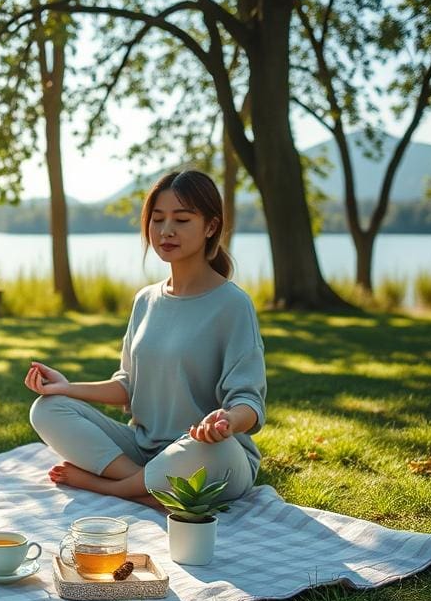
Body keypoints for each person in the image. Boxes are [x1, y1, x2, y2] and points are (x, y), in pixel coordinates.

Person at [25, 170, 266, 508]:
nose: (166, 230)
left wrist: (226, 422)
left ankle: (115, 488)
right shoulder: (145, 300)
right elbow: (126, 386)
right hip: (144, 446)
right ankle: (149, 486)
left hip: (206, 451)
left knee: (211, 451)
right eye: (158, 219)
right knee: (47, 408)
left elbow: (249, 403)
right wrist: (65, 387)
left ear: (211, 227)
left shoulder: (233, 305)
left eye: (182, 220)